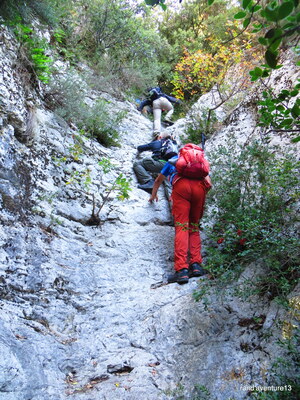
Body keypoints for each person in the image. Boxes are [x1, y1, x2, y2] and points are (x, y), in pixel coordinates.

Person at [148, 154, 212, 284]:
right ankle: (196, 266)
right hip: (199, 189)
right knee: (193, 227)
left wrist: (153, 195)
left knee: (182, 227)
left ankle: (182, 270)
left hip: (181, 188)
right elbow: (209, 184)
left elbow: (158, 180)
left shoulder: (173, 162)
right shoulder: (197, 163)